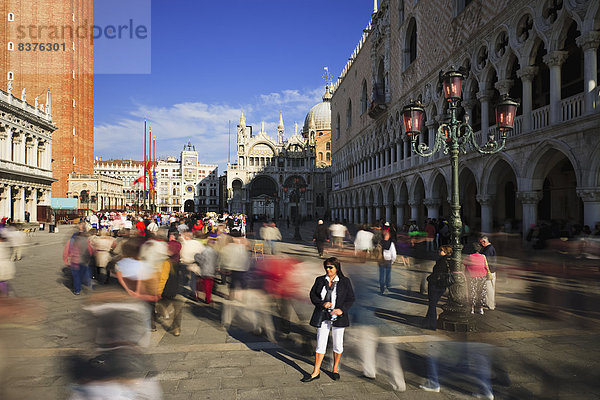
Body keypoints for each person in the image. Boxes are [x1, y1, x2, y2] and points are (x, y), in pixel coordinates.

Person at [302, 257, 355, 382]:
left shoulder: (345, 281)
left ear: (337, 268)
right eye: (326, 267)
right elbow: (312, 295)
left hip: (338, 317)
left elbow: (351, 298)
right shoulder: (320, 280)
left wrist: (341, 309)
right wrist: (322, 304)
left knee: (338, 344)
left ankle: (335, 369)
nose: (328, 269)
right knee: (320, 343)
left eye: (331, 267)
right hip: (323, 315)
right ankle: (316, 372)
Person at [423, 245, 452, 330]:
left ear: (446, 252)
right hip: (442, 285)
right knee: (433, 303)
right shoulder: (448, 261)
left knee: (432, 304)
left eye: (441, 250)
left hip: (435, 284)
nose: (439, 251)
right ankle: (427, 320)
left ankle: (432, 324)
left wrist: (429, 278)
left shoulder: (441, 261)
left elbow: (437, 273)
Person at [63, 222, 94, 295]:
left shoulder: (71, 241)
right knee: (85, 274)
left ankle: (77, 290)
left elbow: (66, 251)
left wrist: (66, 259)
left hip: (75, 261)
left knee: (76, 276)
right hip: (84, 260)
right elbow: (90, 250)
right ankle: (88, 286)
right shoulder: (86, 240)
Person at [464, 243, 488, 315]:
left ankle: (472, 308)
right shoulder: (483, 257)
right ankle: (481, 309)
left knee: (472, 291)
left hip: (472, 276)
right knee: (481, 292)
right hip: (482, 276)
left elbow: (464, 263)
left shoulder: (469, 257)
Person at [479, 235, 497, 310]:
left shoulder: (488, 249)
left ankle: (490, 305)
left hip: (489, 271)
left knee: (489, 289)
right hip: (492, 270)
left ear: (484, 242)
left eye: (480, 243)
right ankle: (490, 303)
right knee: (491, 288)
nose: (480, 244)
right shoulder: (490, 248)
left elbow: (486, 261)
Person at [378, 230, 397, 295]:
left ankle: (382, 288)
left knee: (381, 275)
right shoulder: (391, 244)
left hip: (381, 260)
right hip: (388, 260)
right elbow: (394, 253)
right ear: (387, 236)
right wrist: (393, 260)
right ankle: (387, 286)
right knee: (388, 274)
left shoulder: (380, 242)